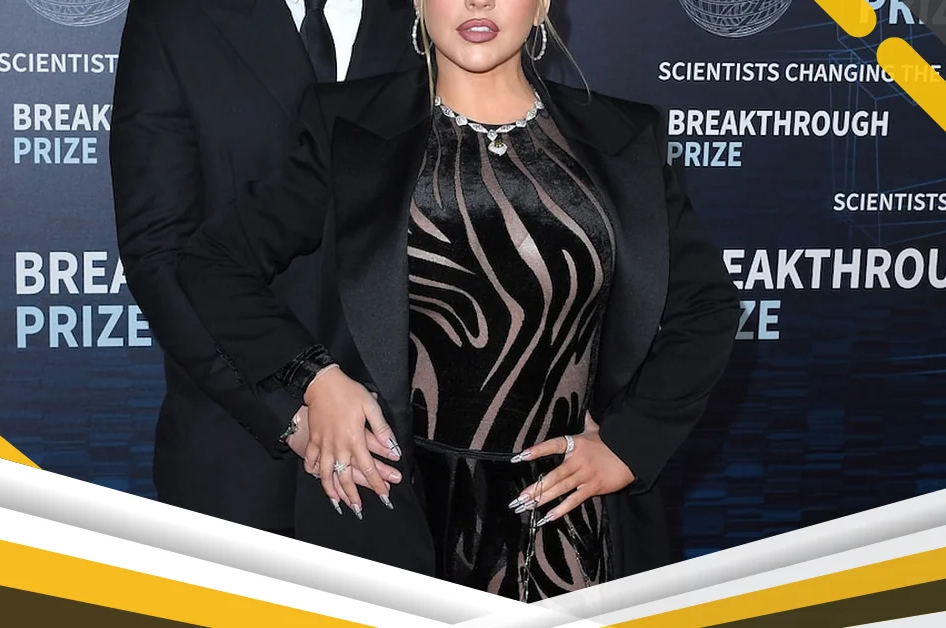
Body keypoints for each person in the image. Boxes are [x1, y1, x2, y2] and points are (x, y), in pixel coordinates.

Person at [176, 0, 741, 599]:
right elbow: (214, 262)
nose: (478, 2)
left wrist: (630, 444)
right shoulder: (348, 125)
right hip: (398, 511)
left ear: (543, 5)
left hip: (569, 520)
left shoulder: (623, 135)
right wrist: (315, 380)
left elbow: (706, 309)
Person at [109, 0, 422, 537]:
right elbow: (158, 253)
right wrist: (290, 414)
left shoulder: (434, 15)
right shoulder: (177, 15)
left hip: (403, 453)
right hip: (238, 447)